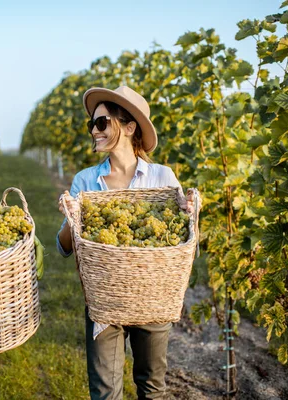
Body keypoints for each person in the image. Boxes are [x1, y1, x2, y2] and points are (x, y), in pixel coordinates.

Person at [57, 86, 195, 400]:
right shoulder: (85, 180)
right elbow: (65, 246)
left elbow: (183, 245)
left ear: (129, 127)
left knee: (152, 387)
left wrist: (189, 216)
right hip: (104, 299)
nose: (94, 130)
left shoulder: (163, 177)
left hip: (153, 298)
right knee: (105, 392)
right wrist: (70, 217)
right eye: (91, 124)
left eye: (102, 123)